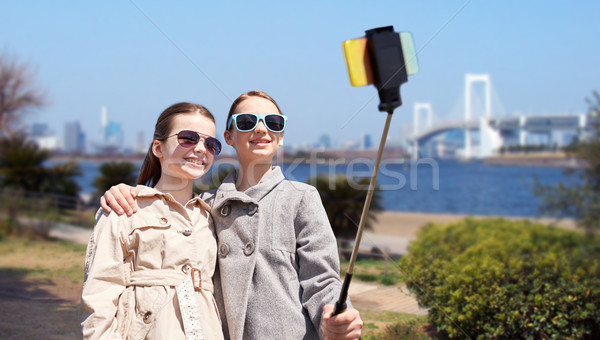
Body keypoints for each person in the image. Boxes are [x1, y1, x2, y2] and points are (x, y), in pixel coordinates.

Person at [101, 91, 363, 340]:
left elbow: (321, 279)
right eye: (247, 122)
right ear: (228, 137)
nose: (261, 129)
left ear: (280, 136)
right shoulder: (204, 207)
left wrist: (336, 317)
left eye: (272, 122)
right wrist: (127, 192)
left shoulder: (301, 198)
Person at [80, 102, 225, 340]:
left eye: (211, 144)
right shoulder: (124, 209)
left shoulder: (212, 216)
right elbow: (99, 296)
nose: (201, 149)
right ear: (158, 147)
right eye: (188, 138)